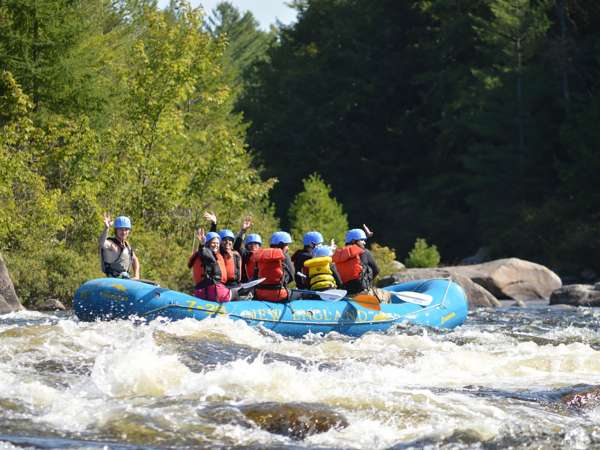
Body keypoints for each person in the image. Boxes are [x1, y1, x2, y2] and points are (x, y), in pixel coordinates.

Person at [332, 225, 384, 296]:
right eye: (362, 240)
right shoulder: (364, 252)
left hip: (344, 292)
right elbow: (376, 270)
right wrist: (368, 283)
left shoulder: (339, 254)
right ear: (353, 240)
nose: (364, 242)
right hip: (361, 290)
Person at [249, 231, 294, 302]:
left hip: (260, 294)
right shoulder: (284, 255)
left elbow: (255, 277)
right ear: (281, 244)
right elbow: (291, 276)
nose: (288, 248)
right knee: (300, 295)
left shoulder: (262, 255)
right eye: (287, 245)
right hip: (279, 295)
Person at [187, 229, 231, 302]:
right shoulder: (205, 252)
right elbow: (204, 252)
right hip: (211, 290)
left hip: (207, 289)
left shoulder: (215, 255)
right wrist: (202, 244)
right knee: (237, 294)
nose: (216, 245)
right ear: (208, 244)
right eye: (213, 243)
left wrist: (214, 224)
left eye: (217, 243)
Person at [99, 213, 140, 279]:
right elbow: (101, 243)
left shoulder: (127, 246)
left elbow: (135, 259)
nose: (123, 232)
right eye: (121, 229)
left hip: (125, 279)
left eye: (126, 229)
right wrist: (106, 228)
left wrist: (136, 275)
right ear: (116, 230)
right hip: (113, 280)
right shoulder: (111, 244)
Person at [232, 216, 262, 283]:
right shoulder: (244, 254)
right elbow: (237, 247)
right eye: (250, 244)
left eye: (256, 244)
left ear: (259, 246)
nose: (253, 246)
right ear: (246, 246)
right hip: (245, 283)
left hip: (260, 284)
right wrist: (243, 231)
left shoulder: (263, 256)